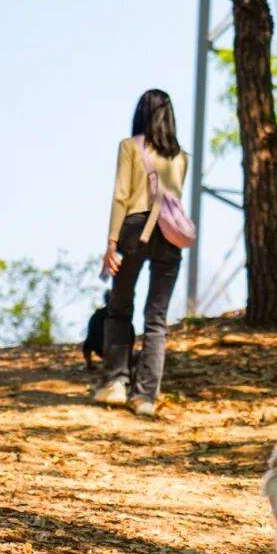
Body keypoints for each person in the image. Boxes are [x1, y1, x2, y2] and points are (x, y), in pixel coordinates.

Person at [94, 89, 188, 415]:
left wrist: (110, 243)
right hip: (171, 237)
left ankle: (115, 384)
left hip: (135, 231)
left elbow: (122, 196)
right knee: (156, 320)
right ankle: (146, 396)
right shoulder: (180, 156)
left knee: (119, 308)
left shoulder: (130, 148)